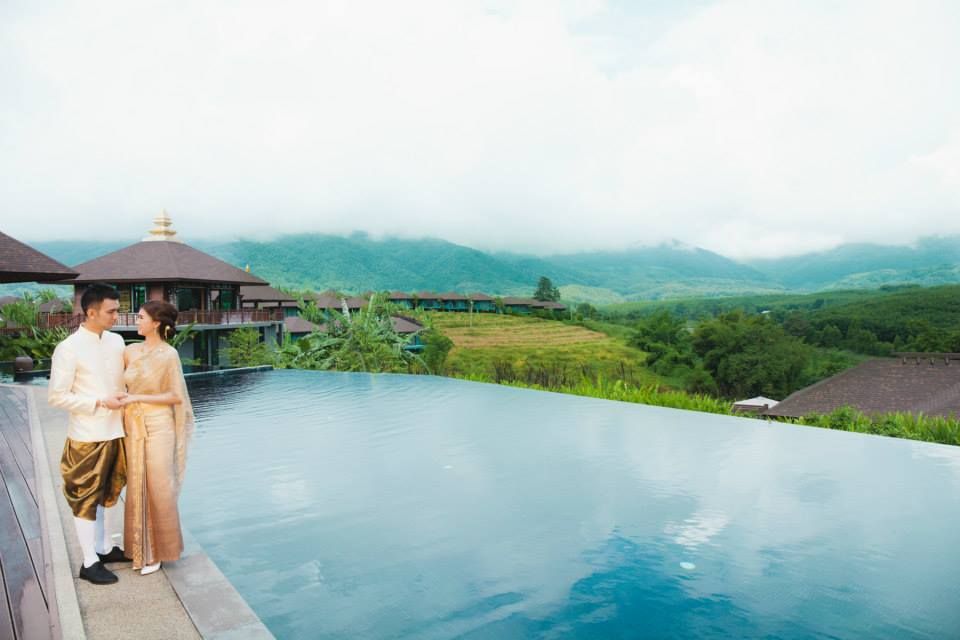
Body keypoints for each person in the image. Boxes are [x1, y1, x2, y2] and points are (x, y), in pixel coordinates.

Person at [48, 283, 130, 585]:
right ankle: (88, 561)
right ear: (91, 312)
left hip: (117, 430)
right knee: (85, 497)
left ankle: (104, 548)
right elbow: (56, 396)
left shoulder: (117, 341)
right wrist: (99, 402)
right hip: (87, 435)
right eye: (111, 311)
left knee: (109, 493)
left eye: (117, 310)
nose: (116, 316)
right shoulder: (68, 348)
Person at [119, 300, 194, 575]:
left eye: (141, 317)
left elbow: (175, 396)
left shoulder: (168, 355)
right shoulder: (129, 351)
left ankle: (161, 552)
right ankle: (139, 548)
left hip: (160, 425)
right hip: (133, 423)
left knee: (160, 485)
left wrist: (136, 397)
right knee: (136, 482)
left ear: (156, 323)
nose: (136, 321)